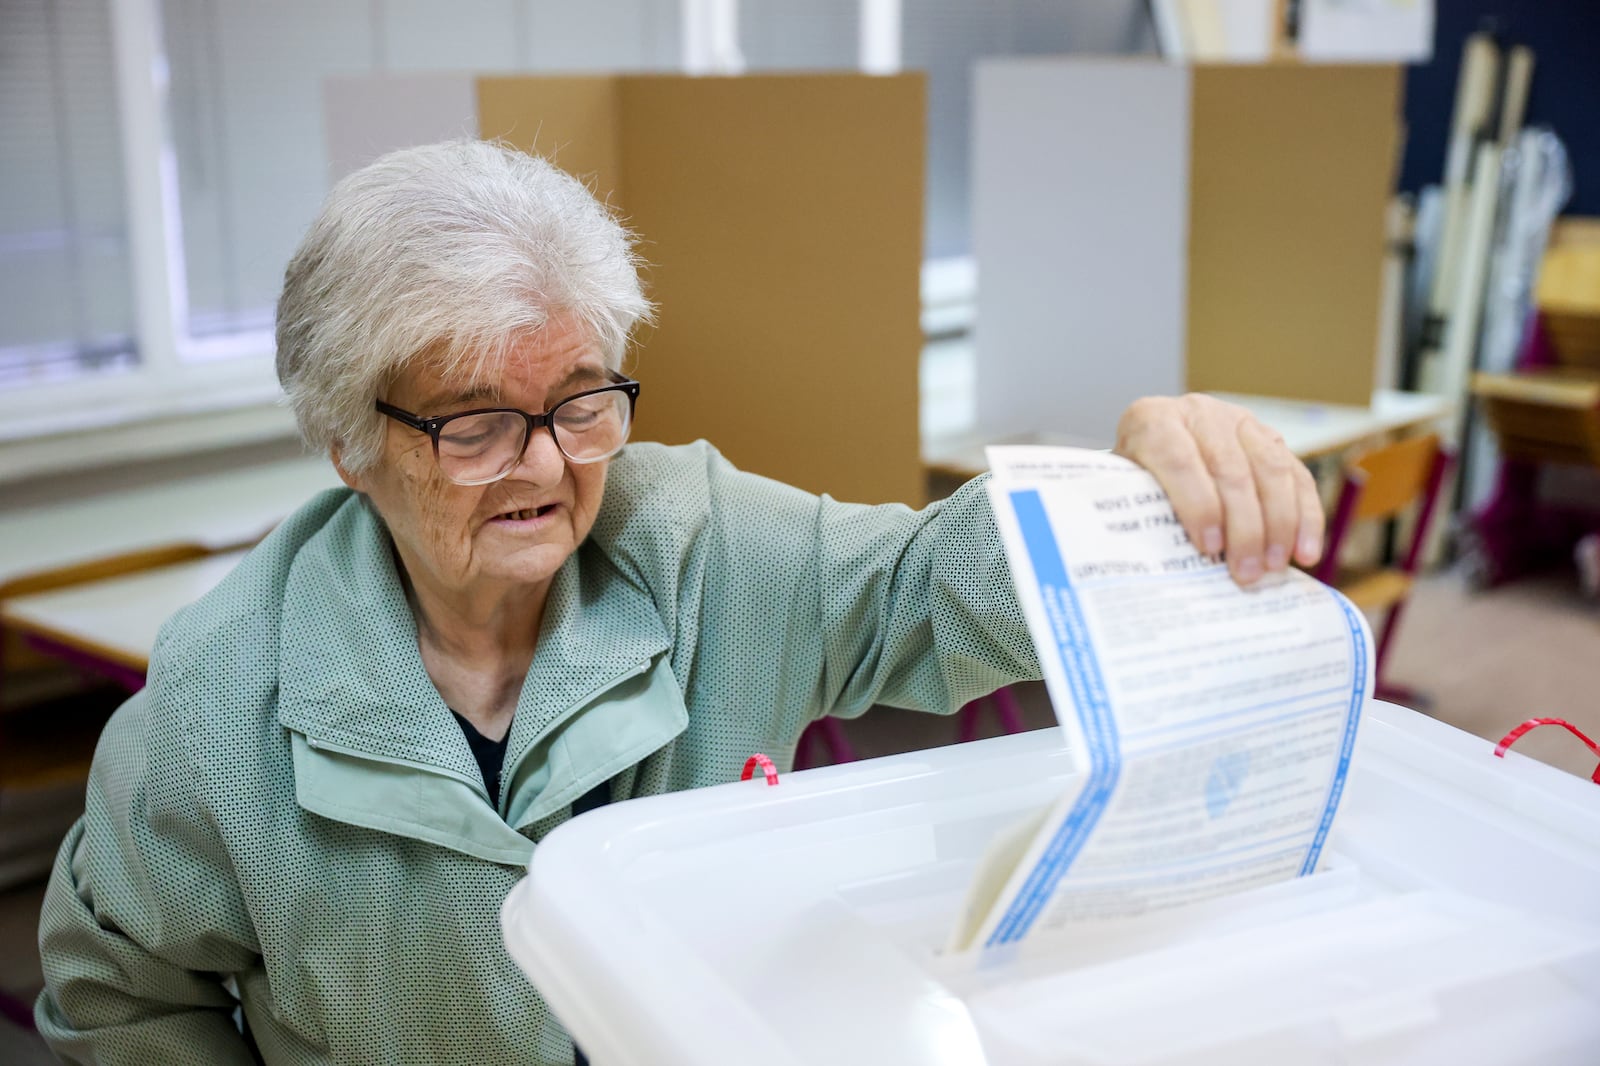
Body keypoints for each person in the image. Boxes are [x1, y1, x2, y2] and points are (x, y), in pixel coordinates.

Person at [35, 140, 1324, 1065]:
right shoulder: (214, 700)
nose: (545, 464)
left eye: (581, 400)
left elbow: (938, 588)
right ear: (346, 441)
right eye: (477, 424)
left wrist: (1123, 483)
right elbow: (120, 1000)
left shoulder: (700, 538)